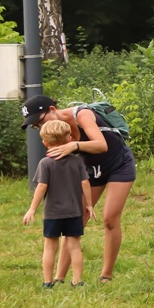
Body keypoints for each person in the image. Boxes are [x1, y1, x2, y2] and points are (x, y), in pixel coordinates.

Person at [22, 95, 137, 283]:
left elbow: (101, 145)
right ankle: (59, 278)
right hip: (91, 171)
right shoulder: (55, 132)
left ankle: (106, 275)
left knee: (109, 218)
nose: (41, 128)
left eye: (40, 121)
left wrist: (73, 145)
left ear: (52, 110)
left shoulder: (82, 115)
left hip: (119, 165)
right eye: (37, 126)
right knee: (75, 218)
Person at [22, 120, 93, 288]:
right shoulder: (77, 162)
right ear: (69, 139)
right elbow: (85, 183)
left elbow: (42, 187)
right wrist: (89, 205)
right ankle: (77, 281)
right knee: (74, 247)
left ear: (45, 143)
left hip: (52, 214)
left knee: (49, 248)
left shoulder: (45, 163)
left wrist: (32, 209)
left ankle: (47, 282)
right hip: (74, 212)